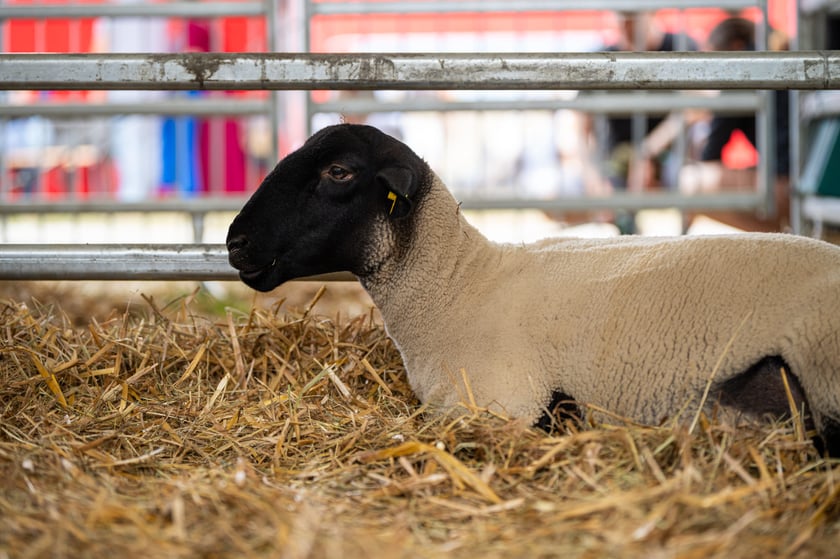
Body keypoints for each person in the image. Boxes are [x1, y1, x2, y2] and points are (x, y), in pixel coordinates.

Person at [679, 17, 791, 231]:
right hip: (808, 178)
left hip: (788, 185)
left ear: (735, 47)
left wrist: (708, 109)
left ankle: (776, 239)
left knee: (690, 182)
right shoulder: (776, 57)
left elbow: (710, 154)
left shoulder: (743, 70)